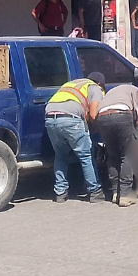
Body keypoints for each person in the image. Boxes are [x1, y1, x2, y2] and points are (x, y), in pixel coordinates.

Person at [44, 72, 107, 203]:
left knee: (60, 155)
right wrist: (98, 128)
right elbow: (94, 113)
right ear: (100, 84)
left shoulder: (72, 84)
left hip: (50, 117)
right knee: (86, 156)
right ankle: (95, 191)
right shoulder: (95, 88)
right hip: (71, 119)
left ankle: (60, 193)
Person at [95, 83, 138, 207]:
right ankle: (125, 195)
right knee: (127, 155)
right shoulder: (137, 91)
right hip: (122, 114)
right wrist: (136, 123)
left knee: (112, 155)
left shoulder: (111, 92)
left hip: (102, 116)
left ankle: (115, 193)